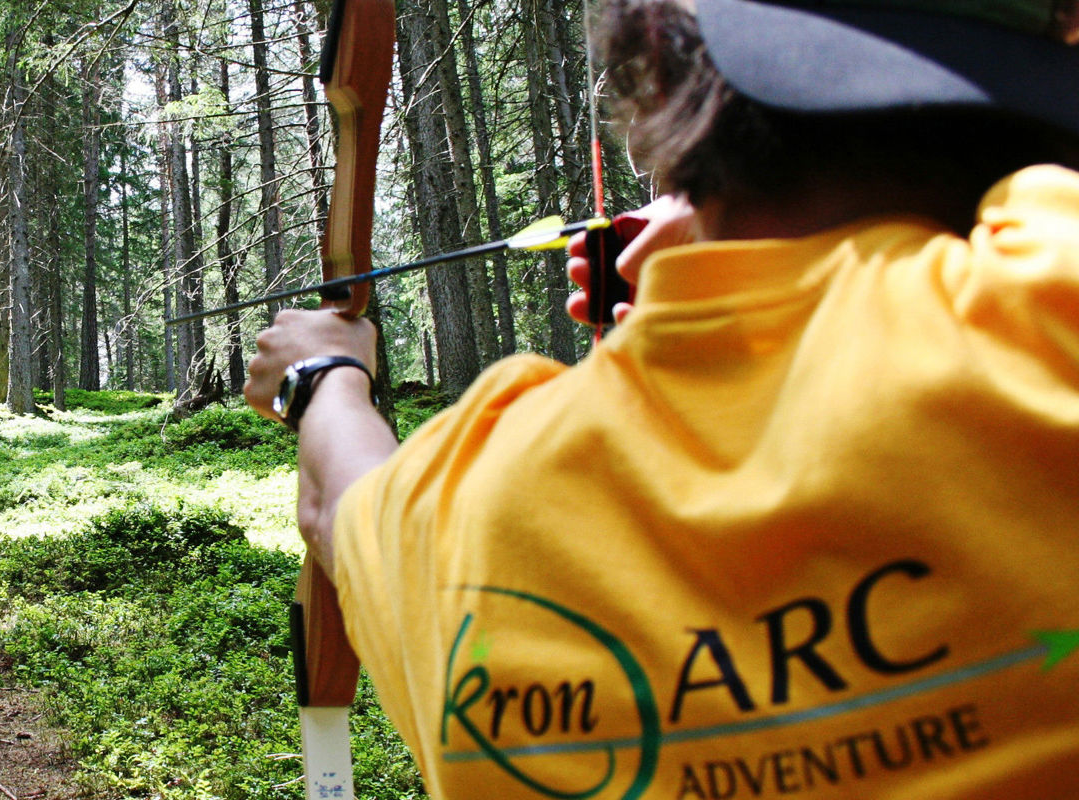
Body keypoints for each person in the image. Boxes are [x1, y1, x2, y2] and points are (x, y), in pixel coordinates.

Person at [244, 1, 1079, 797]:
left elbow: (343, 506)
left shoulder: (485, 508)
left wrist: (322, 375)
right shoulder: (1047, 320)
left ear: (663, 91)